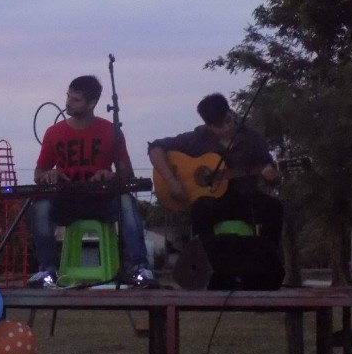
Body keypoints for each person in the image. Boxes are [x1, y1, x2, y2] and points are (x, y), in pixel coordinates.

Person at [29, 75, 157, 289]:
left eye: (76, 99)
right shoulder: (54, 133)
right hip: (67, 203)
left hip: (103, 202)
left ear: (92, 103)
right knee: (41, 207)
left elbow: (127, 172)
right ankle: (47, 270)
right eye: (68, 97)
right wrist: (48, 176)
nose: (68, 103)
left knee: (126, 202)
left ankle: (139, 268)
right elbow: (38, 173)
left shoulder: (110, 131)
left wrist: (112, 176)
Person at [148, 92, 284, 248]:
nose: (227, 127)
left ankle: (267, 259)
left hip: (246, 199)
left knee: (274, 208)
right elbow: (155, 148)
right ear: (208, 125)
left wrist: (272, 177)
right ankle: (206, 264)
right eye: (219, 125)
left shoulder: (252, 139)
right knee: (200, 211)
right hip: (212, 203)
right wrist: (172, 183)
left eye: (228, 120)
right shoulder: (198, 138)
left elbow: (273, 176)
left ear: (230, 113)